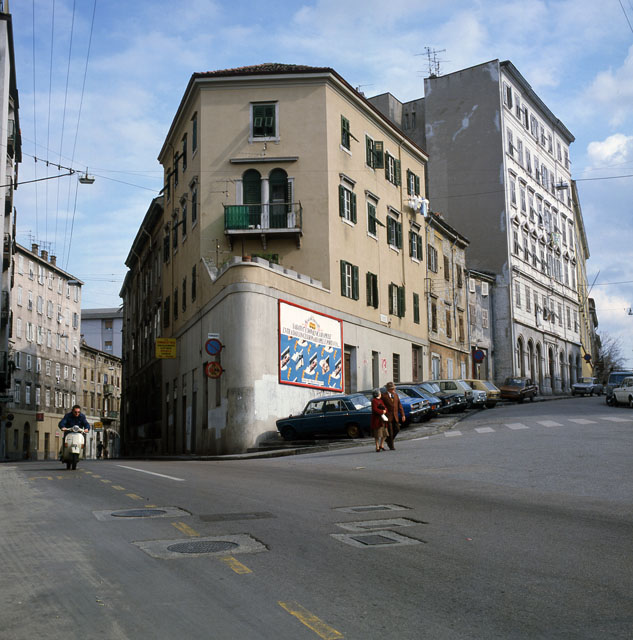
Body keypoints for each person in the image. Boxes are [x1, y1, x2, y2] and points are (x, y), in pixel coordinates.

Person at [380, 382, 405, 450]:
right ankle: (391, 446)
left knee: (397, 429)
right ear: (388, 389)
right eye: (392, 389)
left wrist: (403, 415)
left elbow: (399, 405)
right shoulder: (384, 396)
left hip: (395, 416)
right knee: (390, 432)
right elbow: (381, 405)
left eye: (394, 388)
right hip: (388, 417)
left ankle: (388, 440)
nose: (393, 390)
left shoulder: (396, 395)